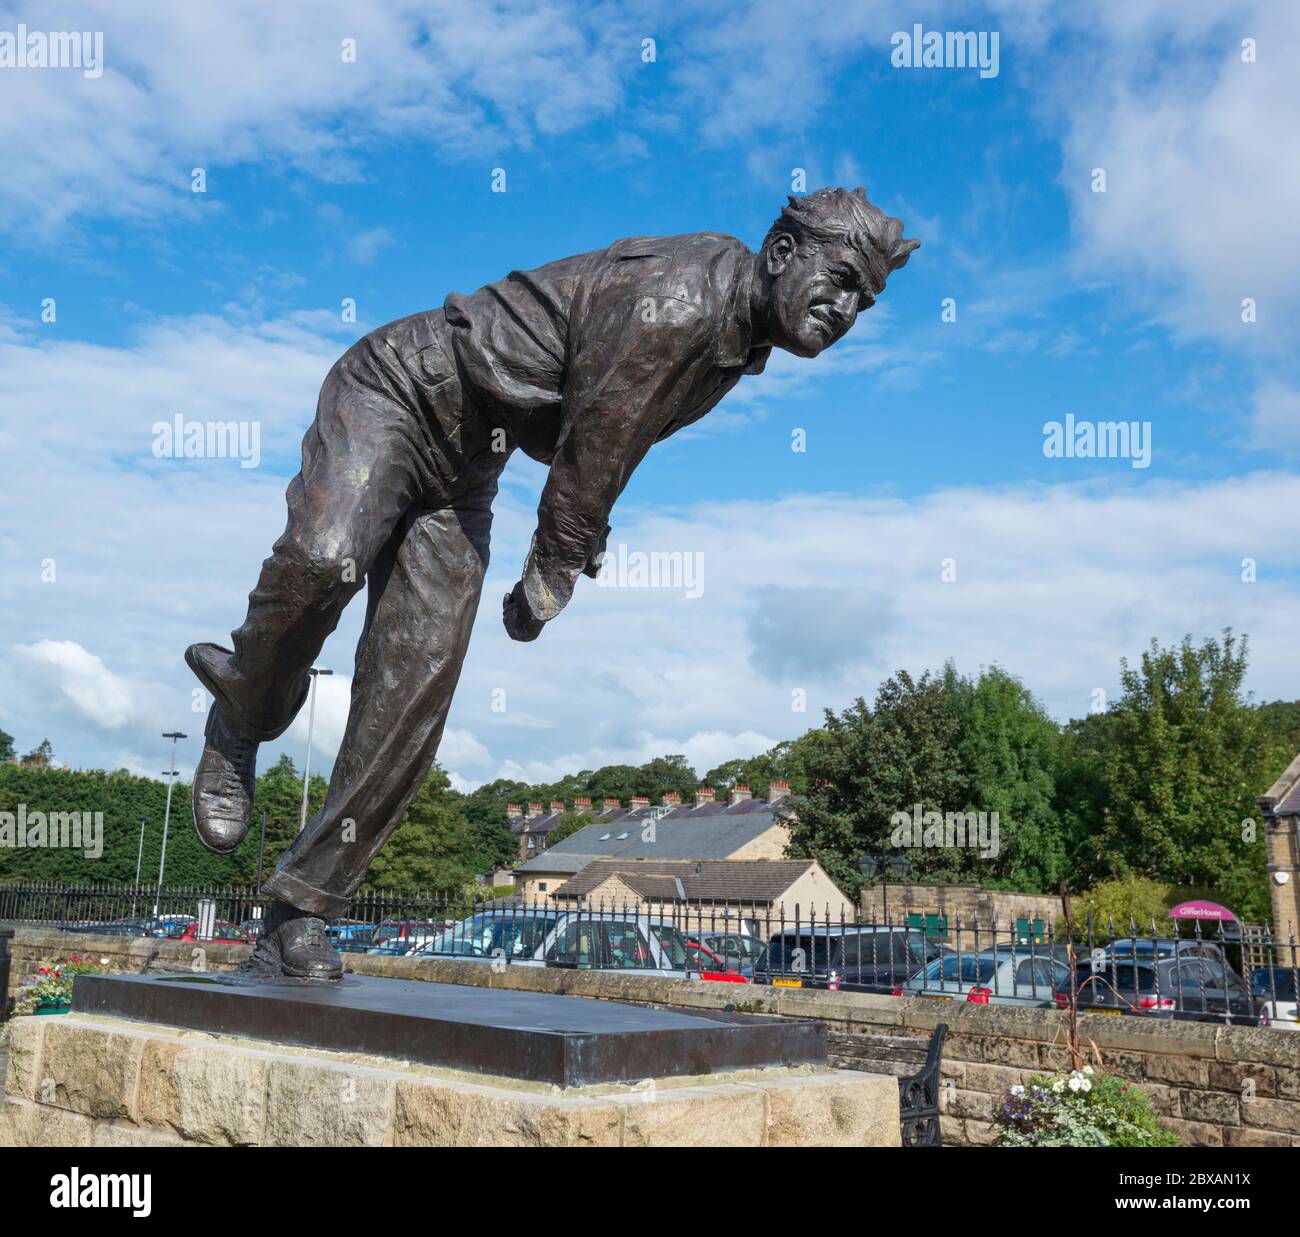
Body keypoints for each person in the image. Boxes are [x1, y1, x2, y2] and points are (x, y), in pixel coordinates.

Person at [186, 187, 919, 978]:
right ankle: (244, 708)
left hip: (466, 467)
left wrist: (562, 556)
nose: (847, 310)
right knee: (323, 559)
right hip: (398, 390)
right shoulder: (684, 299)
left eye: (864, 301)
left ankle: (299, 910)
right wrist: (552, 572)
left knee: (415, 692)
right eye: (842, 281)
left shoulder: (733, 342)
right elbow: (597, 441)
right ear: (781, 253)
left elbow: (614, 440)